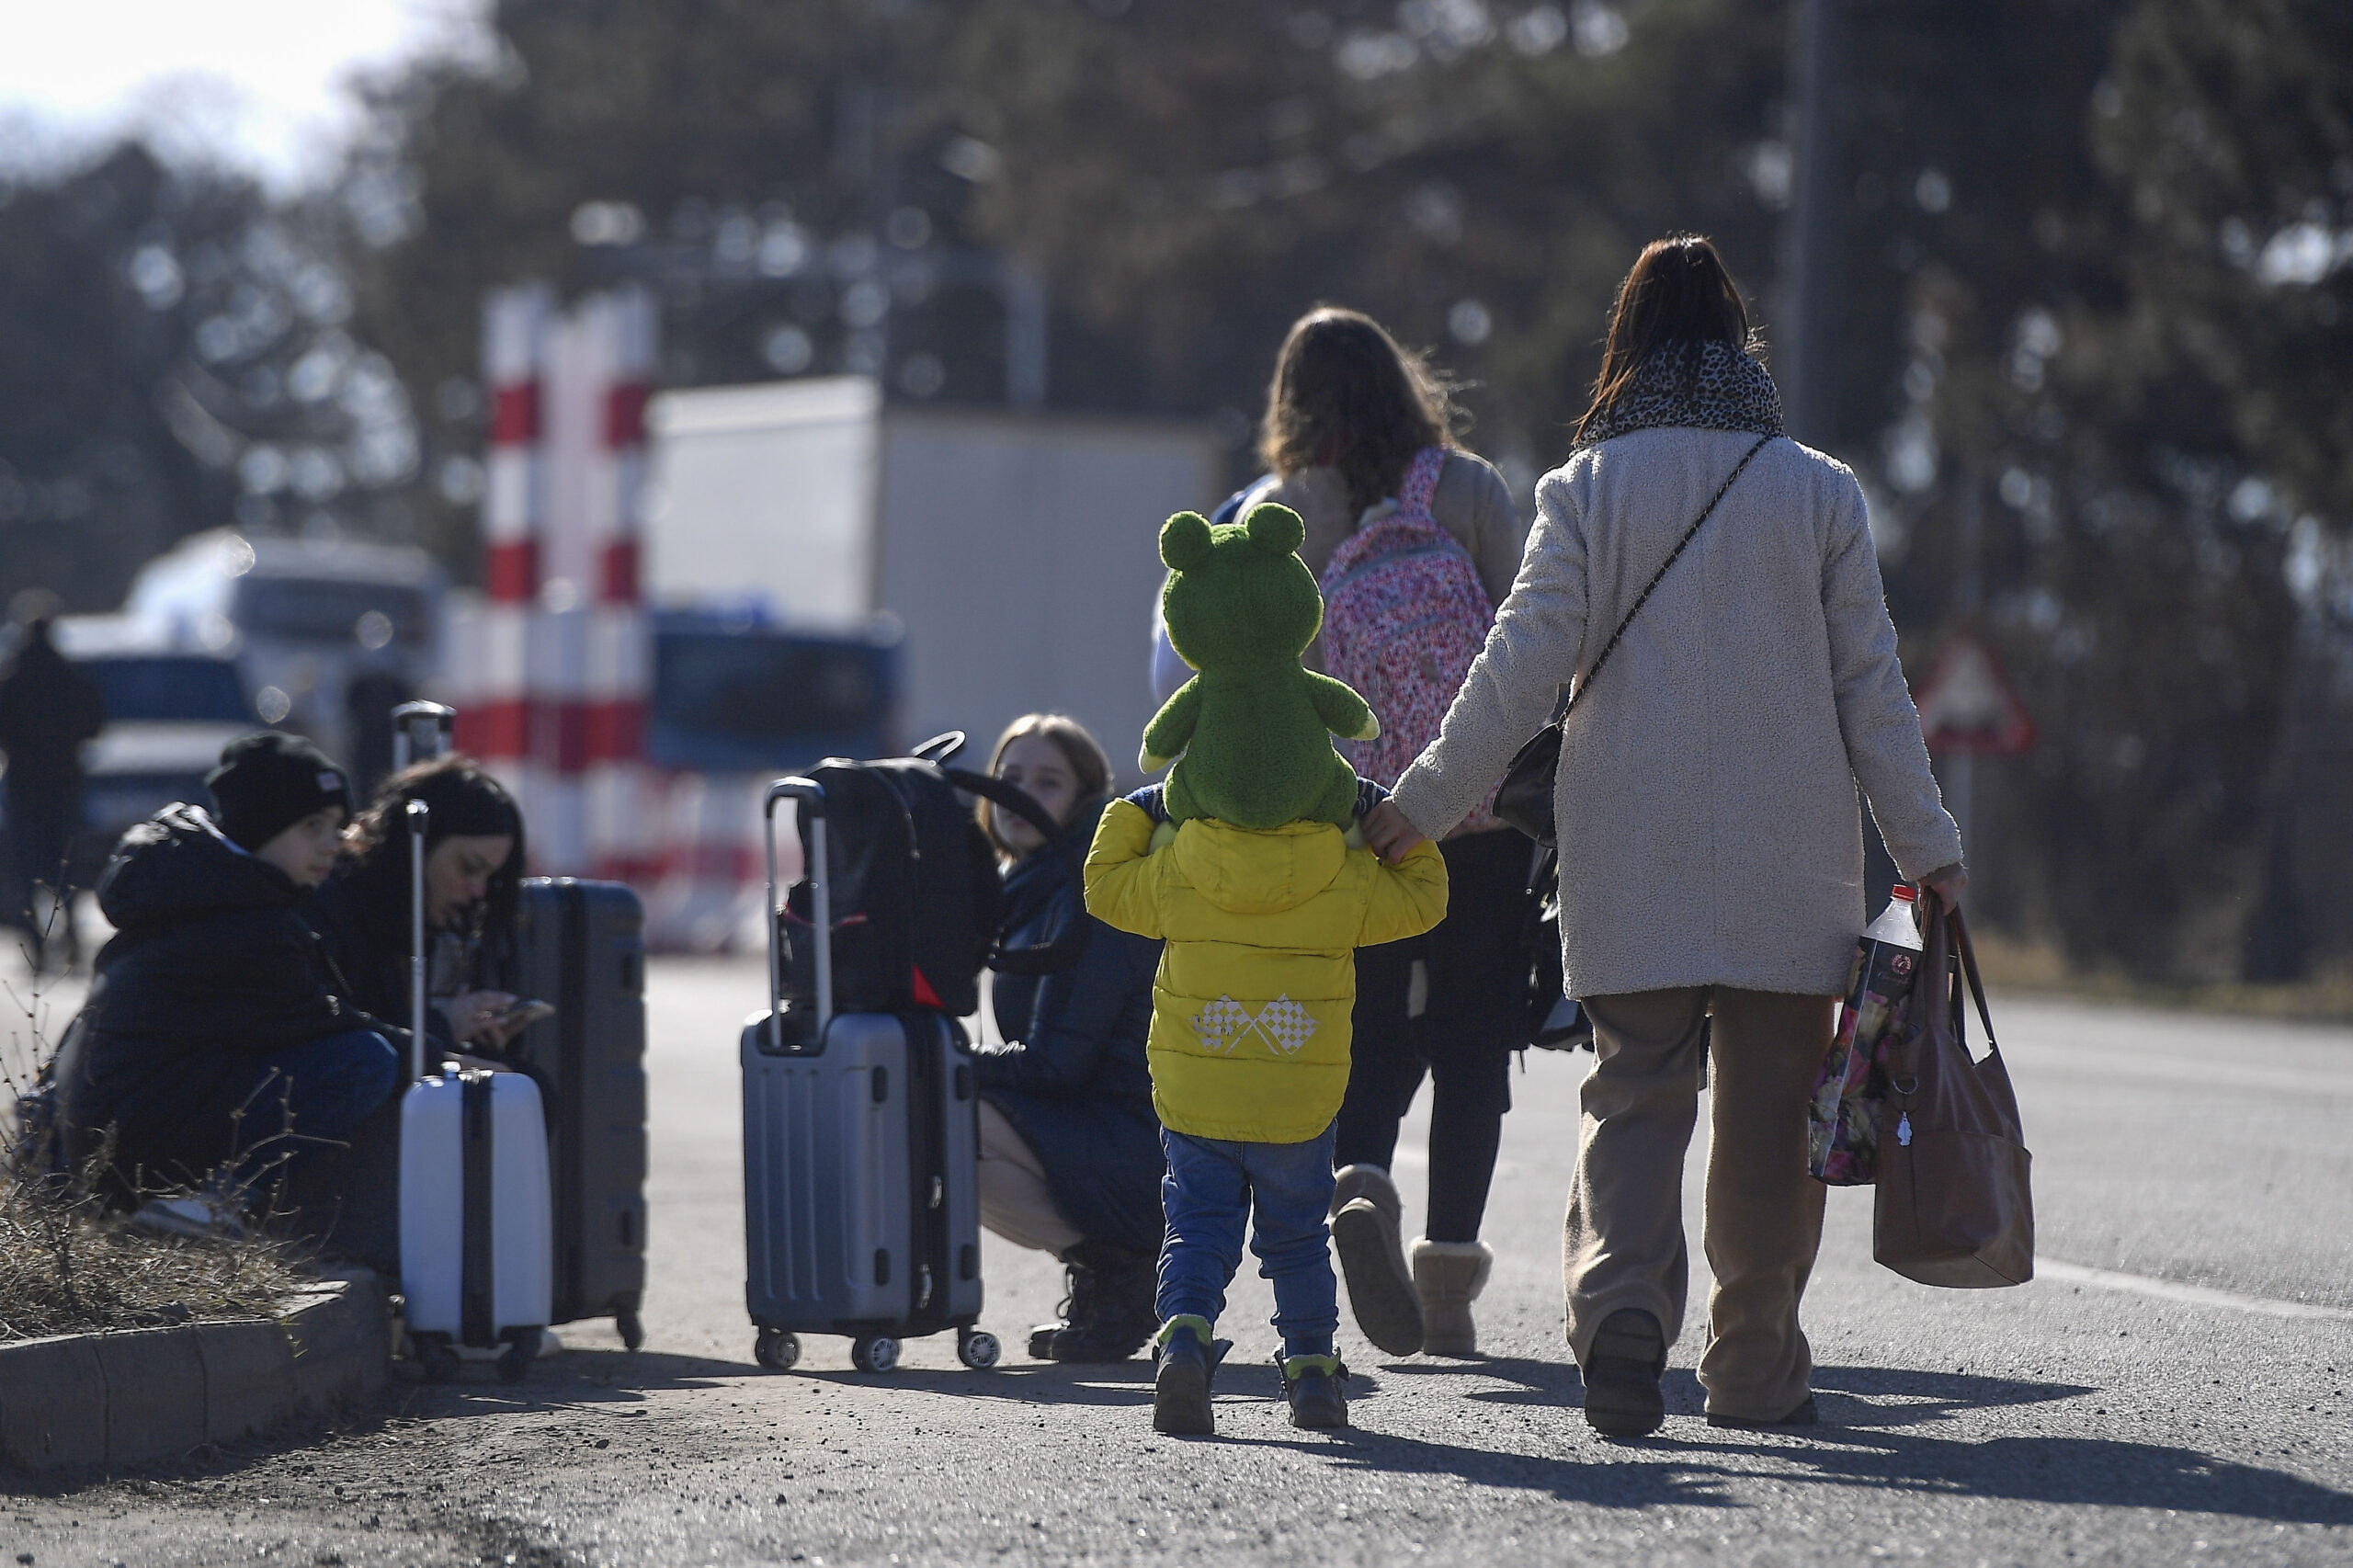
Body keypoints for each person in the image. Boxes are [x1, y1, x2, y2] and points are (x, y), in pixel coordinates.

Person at [1363, 234, 1966, 1437]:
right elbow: (1873, 695)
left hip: (1626, 846)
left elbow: (1513, 679)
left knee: (1633, 1090)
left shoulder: (1586, 491)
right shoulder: (1820, 491)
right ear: (1742, 344)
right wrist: (1926, 845)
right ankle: (1750, 1364)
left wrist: (1418, 807)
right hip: (1790, 860)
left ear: (1625, 349)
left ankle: (1622, 1311)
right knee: (1769, 1116)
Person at [1198, 306, 1537, 1359]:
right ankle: (1446, 1279)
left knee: (1371, 1026)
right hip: (1478, 808)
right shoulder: (1468, 487)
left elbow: (1208, 666)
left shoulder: (1276, 508)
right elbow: (1532, 636)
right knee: (1476, 1040)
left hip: (1347, 817)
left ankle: (1362, 1186)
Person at [56, 733, 401, 1236]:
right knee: (364, 1060)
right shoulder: (246, 922)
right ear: (261, 828)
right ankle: (213, 1204)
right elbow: (325, 1023)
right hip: (136, 1149)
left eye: (338, 827)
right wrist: (443, 1054)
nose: (333, 845)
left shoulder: (197, 886)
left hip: (107, 1143)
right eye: (312, 827)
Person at [969, 714, 1165, 1363]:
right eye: (1010, 778)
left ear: (1083, 801)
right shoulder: (1032, 882)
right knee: (936, 1110)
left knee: (947, 1122)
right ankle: (1108, 1275)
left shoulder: (1091, 888)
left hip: (1148, 1149)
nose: (1020, 796)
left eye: (1046, 783)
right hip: (1103, 1123)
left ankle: (1123, 1268)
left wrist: (950, 1064)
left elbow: (1056, 1065)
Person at [306, 755, 530, 1062]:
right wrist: (444, 1025)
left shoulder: (409, 922)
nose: (478, 891)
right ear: (414, 848)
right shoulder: (330, 911)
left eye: (490, 878)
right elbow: (341, 1042)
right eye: (468, 868)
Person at [0, 590, 106, 971]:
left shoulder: (13, 678)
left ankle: (37, 943)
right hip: (64, 783)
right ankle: (72, 936)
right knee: (66, 865)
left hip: (25, 786)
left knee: (28, 866)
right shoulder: (70, 677)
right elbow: (94, 724)